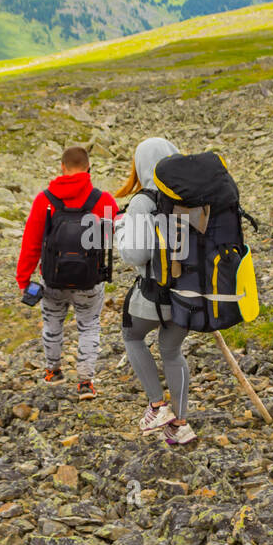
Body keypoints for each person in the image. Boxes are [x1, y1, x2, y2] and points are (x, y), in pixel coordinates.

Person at [16, 145, 118, 400]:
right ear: (89, 169)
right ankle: (85, 383)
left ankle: (53, 371)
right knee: (89, 327)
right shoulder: (102, 199)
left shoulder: (45, 200)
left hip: (53, 278)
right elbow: (113, 233)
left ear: (62, 167)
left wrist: (24, 279)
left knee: (52, 323)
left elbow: (31, 241)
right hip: (89, 281)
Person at [115, 137, 197, 446]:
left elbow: (136, 255)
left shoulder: (142, 201)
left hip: (153, 294)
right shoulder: (193, 196)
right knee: (172, 351)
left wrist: (122, 230)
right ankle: (180, 425)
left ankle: (156, 405)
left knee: (132, 336)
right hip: (189, 293)